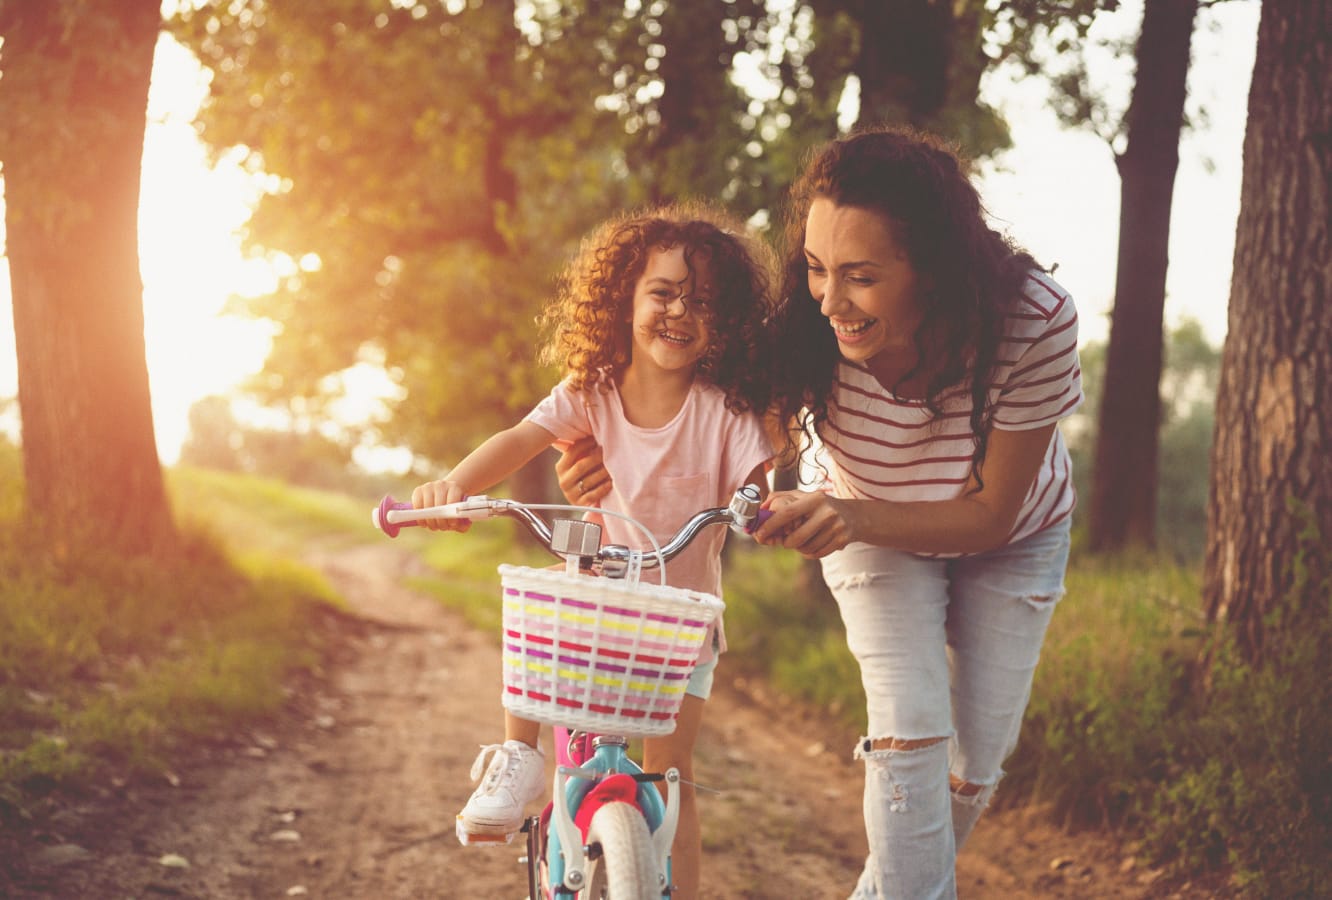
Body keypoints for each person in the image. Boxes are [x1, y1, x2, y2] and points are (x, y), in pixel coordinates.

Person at [558, 125, 1083, 899]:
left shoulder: (1034, 320)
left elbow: (991, 514)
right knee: (909, 740)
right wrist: (611, 455)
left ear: (933, 269)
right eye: (815, 268)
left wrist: (854, 517)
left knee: (971, 770)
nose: (831, 301)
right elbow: (687, 410)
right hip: (865, 521)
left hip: (1009, 537)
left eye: (861, 277)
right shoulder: (797, 325)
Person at [411, 201, 774, 900]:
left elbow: (760, 487)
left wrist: (769, 511)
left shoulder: (724, 412)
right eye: (662, 292)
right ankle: (519, 753)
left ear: (722, 322)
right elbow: (520, 439)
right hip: (597, 610)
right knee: (545, 595)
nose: (678, 312)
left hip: (679, 625)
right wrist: (454, 487)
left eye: (701, 302)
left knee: (674, 779)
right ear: (625, 299)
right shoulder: (594, 392)